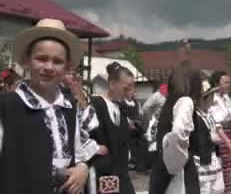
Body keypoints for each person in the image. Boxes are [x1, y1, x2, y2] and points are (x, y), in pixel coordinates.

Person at [0, 18, 90, 194]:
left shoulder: (69, 108)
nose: (49, 67)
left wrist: (82, 169)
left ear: (67, 67)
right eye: (41, 59)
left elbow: (79, 153)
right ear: (27, 60)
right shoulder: (7, 106)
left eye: (57, 61)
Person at [149, 64, 225, 193]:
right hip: (180, 172)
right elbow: (179, 132)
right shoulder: (186, 102)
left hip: (162, 169)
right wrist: (180, 156)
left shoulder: (168, 103)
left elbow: (153, 134)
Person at [90, 62, 136, 194]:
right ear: (112, 84)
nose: (129, 93)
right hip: (104, 175)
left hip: (121, 173)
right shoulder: (97, 105)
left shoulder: (120, 108)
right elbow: (83, 135)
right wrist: (94, 148)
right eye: (126, 88)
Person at [209, 71, 231, 194]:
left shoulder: (227, 98)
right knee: (221, 167)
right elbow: (215, 123)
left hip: (229, 134)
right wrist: (226, 141)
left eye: (229, 82)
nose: (229, 85)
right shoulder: (212, 99)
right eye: (225, 82)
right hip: (219, 135)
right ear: (217, 83)